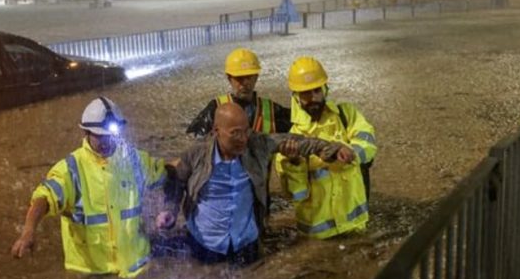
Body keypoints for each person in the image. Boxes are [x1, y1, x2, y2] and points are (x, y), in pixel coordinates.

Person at [158, 103, 354, 265]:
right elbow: (176, 182)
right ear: (216, 131)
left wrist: (333, 150)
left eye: (246, 131)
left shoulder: (257, 144)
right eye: (235, 133)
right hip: (205, 245)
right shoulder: (195, 155)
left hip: (247, 245)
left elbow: (300, 142)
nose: (243, 139)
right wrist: (169, 210)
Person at [11, 96, 166, 278]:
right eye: (100, 136)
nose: (106, 141)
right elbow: (44, 199)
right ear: (86, 133)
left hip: (137, 268)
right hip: (92, 274)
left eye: (111, 135)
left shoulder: (135, 159)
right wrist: (28, 231)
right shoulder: (71, 169)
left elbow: (167, 173)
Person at [276, 57, 377, 239]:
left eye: (316, 90)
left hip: (355, 226)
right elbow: (295, 195)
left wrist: (352, 152)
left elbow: (368, 143)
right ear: (296, 98)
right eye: (305, 93)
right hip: (318, 237)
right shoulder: (292, 139)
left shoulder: (347, 115)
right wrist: (294, 162)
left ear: (325, 89)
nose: (313, 98)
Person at [186, 47, 291, 137]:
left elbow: (298, 123)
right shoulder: (216, 108)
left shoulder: (271, 110)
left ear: (256, 77)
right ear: (229, 79)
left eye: (249, 77)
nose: (245, 83)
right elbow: (194, 138)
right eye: (239, 78)